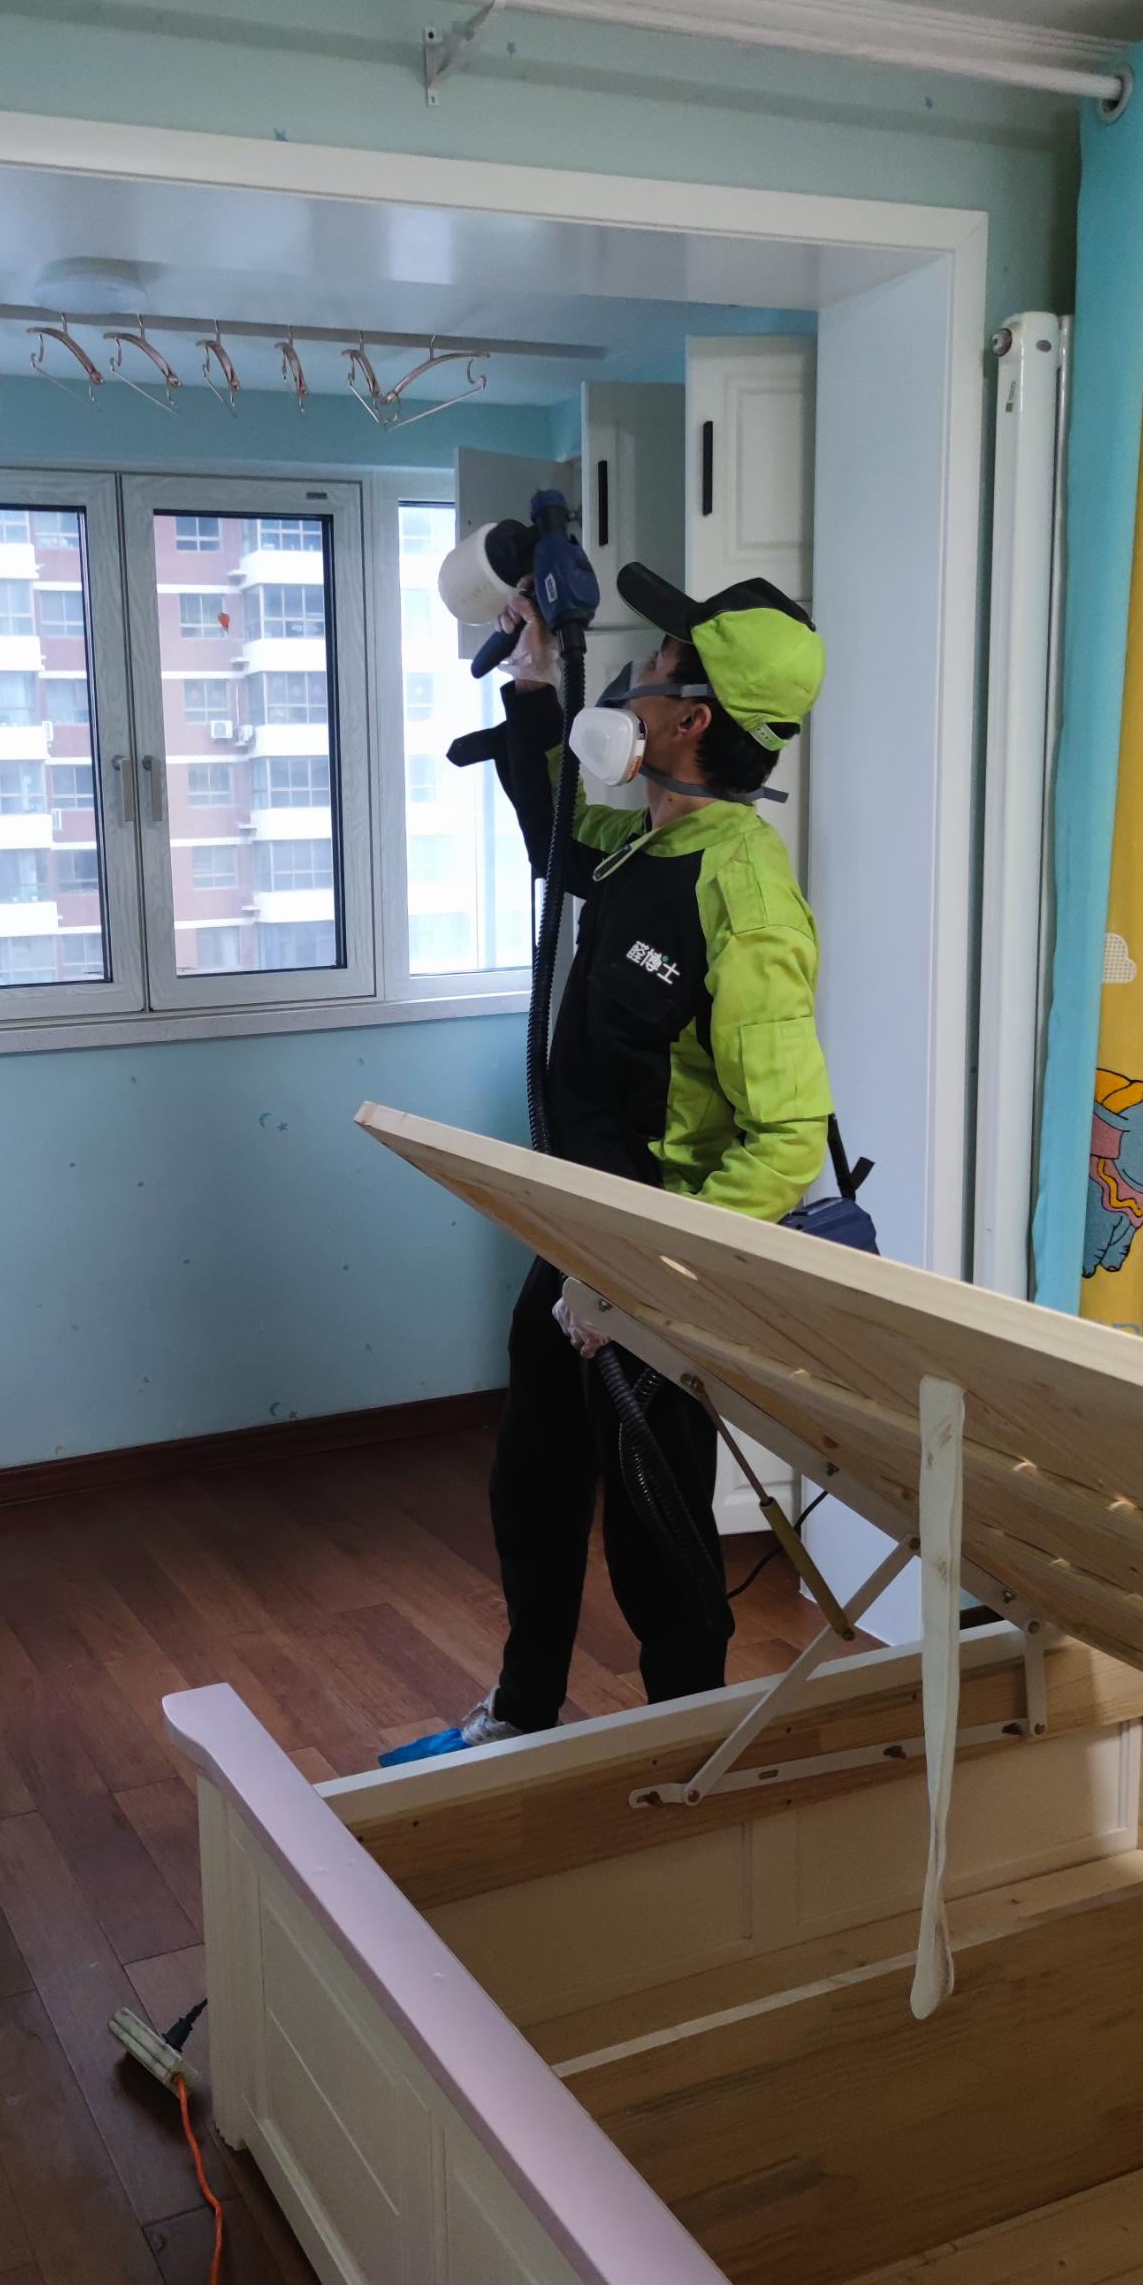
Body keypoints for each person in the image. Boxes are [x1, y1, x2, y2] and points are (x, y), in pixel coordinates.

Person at [448, 571, 833, 1749]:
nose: (631, 683)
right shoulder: (645, 848)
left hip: (649, 1268)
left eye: (653, 670)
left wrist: (642, 1277)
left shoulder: (741, 891)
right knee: (533, 1491)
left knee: (657, 1535)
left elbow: (787, 1138)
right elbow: (556, 833)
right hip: (575, 1242)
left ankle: (692, 1746)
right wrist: (535, 680)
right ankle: (523, 1711)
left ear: (690, 719)